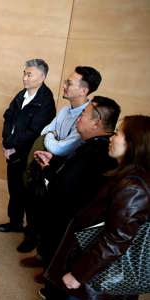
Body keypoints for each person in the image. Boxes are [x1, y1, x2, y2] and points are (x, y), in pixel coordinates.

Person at [45, 115, 150, 300]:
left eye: (117, 134)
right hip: (91, 264)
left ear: (134, 143)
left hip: (97, 278)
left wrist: (78, 275)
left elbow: (115, 241)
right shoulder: (126, 175)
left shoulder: (134, 188)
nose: (111, 137)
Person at [34, 96, 121, 299]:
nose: (78, 118)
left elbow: (66, 189)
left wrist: (47, 171)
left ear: (96, 122)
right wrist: (54, 162)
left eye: (83, 114)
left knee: (60, 274)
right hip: (69, 223)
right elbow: (73, 174)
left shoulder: (98, 151)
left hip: (71, 227)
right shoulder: (92, 145)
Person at [18, 66, 103, 254]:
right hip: (48, 164)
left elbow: (61, 147)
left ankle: (45, 253)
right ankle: (33, 239)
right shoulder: (65, 110)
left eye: (69, 83)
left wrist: (52, 137)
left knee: (53, 216)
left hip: (64, 172)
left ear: (83, 90)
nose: (63, 85)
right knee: (33, 202)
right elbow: (45, 131)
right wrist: (53, 136)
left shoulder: (86, 117)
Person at [0, 58, 56, 233]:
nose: (24, 78)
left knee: (27, 192)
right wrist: (6, 142)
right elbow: (8, 117)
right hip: (12, 150)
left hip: (28, 153)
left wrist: (11, 145)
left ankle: (30, 231)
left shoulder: (45, 101)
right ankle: (14, 222)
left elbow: (34, 131)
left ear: (42, 77)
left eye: (29, 74)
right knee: (14, 189)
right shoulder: (21, 94)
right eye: (24, 73)